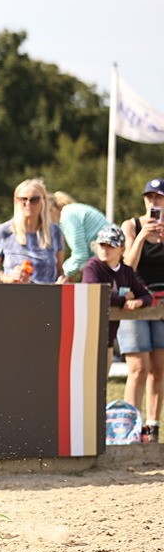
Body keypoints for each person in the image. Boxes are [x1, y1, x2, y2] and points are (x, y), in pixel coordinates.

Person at [117, 178, 164, 433]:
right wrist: (142, 237)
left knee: (159, 369)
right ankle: (129, 430)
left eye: (158, 197)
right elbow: (127, 267)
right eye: (149, 197)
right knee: (137, 368)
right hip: (136, 303)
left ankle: (152, 427)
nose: (153, 202)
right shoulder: (131, 225)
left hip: (162, 306)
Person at [81, 225, 151, 352]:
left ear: (122, 249)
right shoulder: (92, 267)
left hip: (109, 339)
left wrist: (137, 302)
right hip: (87, 337)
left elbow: (146, 296)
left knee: (105, 370)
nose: (105, 250)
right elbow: (97, 295)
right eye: (102, 245)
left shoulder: (126, 271)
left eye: (110, 246)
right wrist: (124, 299)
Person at [0, 178, 65, 284]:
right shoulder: (4, 231)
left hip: (48, 296)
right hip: (15, 295)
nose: (28, 203)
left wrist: (63, 280)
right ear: (16, 201)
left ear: (43, 201)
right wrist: (6, 278)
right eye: (23, 199)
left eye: (34, 199)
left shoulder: (55, 232)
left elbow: (60, 271)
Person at [50, 191, 112, 282]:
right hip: (109, 256)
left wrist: (65, 273)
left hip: (104, 260)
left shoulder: (67, 216)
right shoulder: (74, 210)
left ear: (50, 209)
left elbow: (80, 254)